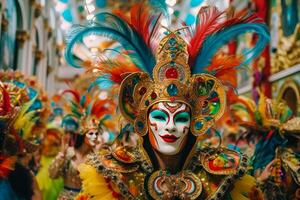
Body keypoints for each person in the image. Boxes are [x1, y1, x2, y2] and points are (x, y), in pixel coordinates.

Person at [65, 3, 270, 199]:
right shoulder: (116, 176)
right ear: (143, 120)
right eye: (160, 116)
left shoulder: (221, 175)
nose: (170, 127)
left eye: (180, 118)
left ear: (195, 122)